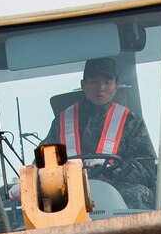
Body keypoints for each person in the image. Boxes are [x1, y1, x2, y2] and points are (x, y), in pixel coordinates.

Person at [42, 57, 155, 209]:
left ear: (116, 85)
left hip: (120, 196)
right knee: (45, 204)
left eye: (107, 82)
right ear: (83, 85)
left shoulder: (131, 122)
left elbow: (147, 169)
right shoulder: (61, 123)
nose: (100, 88)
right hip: (71, 197)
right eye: (94, 82)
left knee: (138, 195)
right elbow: (43, 164)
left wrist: (114, 170)